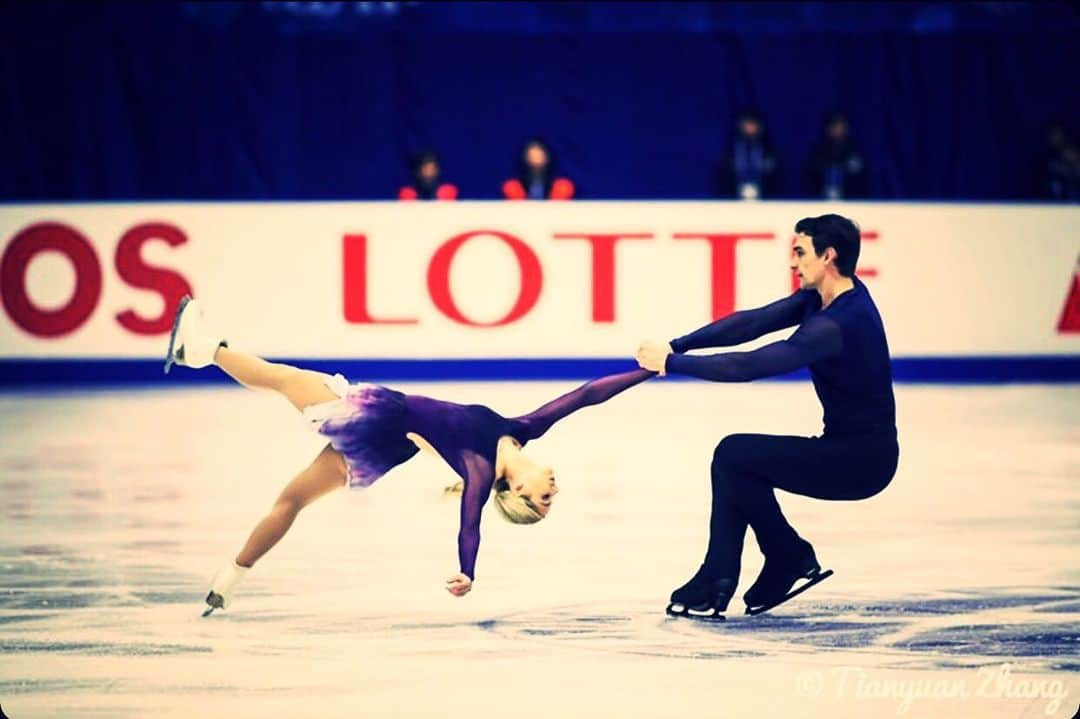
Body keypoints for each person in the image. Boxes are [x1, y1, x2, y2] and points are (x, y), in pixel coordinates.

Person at [163, 297, 652, 614]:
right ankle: (228, 581)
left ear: (519, 491)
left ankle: (200, 348)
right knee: (292, 500)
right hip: (389, 446)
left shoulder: (479, 468)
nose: (555, 491)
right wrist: (651, 370)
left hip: (379, 417)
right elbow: (586, 396)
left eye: (545, 500)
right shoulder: (523, 431)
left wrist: (469, 571)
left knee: (279, 378)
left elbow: (470, 526)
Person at [636, 214, 898, 619]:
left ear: (828, 256)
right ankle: (741, 570)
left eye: (799, 253)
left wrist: (671, 364)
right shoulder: (824, 299)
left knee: (735, 456)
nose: (792, 264)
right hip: (846, 447)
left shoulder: (838, 323)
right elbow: (754, 322)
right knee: (736, 462)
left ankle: (768, 560)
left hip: (862, 462)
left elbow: (750, 366)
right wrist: (679, 344)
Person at [719, 109, 780, 200]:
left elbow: (774, 173)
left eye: (753, 124)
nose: (750, 127)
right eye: (747, 124)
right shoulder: (732, 148)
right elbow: (725, 172)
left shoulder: (767, 148)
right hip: (734, 195)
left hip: (765, 195)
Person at [805, 112, 867, 200]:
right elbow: (812, 168)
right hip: (821, 194)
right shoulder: (820, 148)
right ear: (829, 129)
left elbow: (858, 169)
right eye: (836, 127)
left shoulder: (852, 149)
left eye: (842, 127)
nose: (839, 130)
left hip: (848, 194)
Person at [502, 138, 575, 200]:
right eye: (532, 155)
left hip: (552, 210)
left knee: (564, 186)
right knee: (511, 187)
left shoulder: (556, 180)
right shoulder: (518, 181)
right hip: (524, 210)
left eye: (539, 154)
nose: (536, 158)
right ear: (526, 158)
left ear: (546, 157)